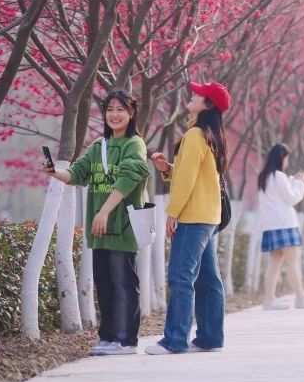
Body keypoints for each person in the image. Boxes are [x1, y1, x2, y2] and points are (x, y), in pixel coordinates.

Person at [46, 91, 150, 356]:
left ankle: (126, 340)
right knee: (104, 282)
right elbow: (77, 174)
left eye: (121, 109)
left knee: (123, 282)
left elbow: (130, 177)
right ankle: (108, 338)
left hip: (122, 226)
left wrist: (103, 211)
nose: (114, 114)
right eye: (110, 109)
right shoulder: (97, 147)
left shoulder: (134, 144)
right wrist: (54, 172)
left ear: (131, 113)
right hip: (100, 229)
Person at [145, 80, 230, 354]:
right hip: (208, 216)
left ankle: (175, 340)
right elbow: (192, 174)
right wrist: (167, 168)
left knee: (181, 277)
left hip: (193, 217)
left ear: (208, 105)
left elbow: (188, 182)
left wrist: (172, 213)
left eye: (198, 95)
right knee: (207, 279)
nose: (192, 97)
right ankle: (210, 338)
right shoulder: (207, 134)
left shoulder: (195, 136)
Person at [257, 143, 304, 309]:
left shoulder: (265, 176)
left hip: (271, 225)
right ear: (281, 158)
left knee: (274, 262)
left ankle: (269, 300)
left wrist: (293, 179)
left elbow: (279, 192)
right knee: (293, 261)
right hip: (285, 224)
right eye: (287, 157)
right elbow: (292, 198)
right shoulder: (279, 176)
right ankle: (300, 298)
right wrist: (300, 184)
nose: (287, 161)